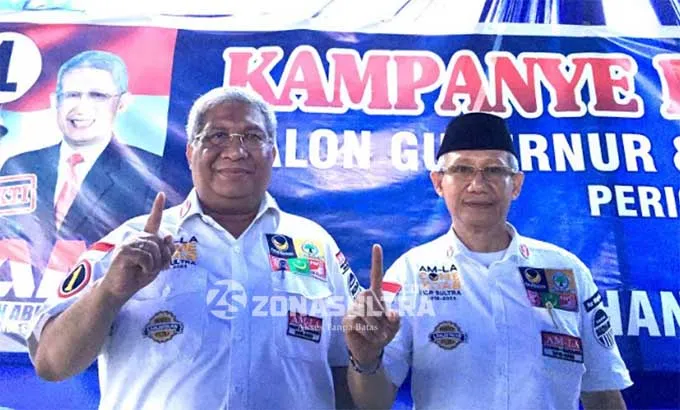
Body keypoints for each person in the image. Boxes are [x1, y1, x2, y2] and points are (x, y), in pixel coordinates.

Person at [26, 86, 361, 409]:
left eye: (252, 136)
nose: (235, 151)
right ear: (190, 153)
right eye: (217, 136)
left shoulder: (317, 247)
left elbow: (350, 376)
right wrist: (109, 292)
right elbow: (51, 363)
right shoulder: (128, 243)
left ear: (272, 154)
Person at [343, 112, 632, 410]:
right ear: (439, 182)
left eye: (494, 170)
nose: (478, 184)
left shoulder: (565, 272)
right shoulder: (410, 273)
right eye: (462, 169)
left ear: (516, 184)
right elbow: (373, 404)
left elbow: (604, 394)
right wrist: (365, 359)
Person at [0, 50, 162, 267]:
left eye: (97, 95)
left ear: (122, 103)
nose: (81, 107)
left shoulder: (149, 172)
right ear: (55, 101)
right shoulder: (19, 165)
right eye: (71, 95)